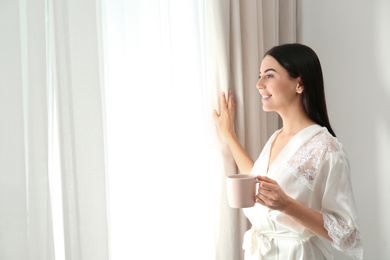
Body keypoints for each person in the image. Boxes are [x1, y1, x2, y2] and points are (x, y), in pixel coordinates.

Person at [213, 43, 363, 259]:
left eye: (269, 75)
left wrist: (286, 205)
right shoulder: (277, 137)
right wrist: (228, 134)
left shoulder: (326, 148)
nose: (258, 84)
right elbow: (257, 179)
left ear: (299, 84)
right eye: (260, 75)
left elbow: (348, 234)